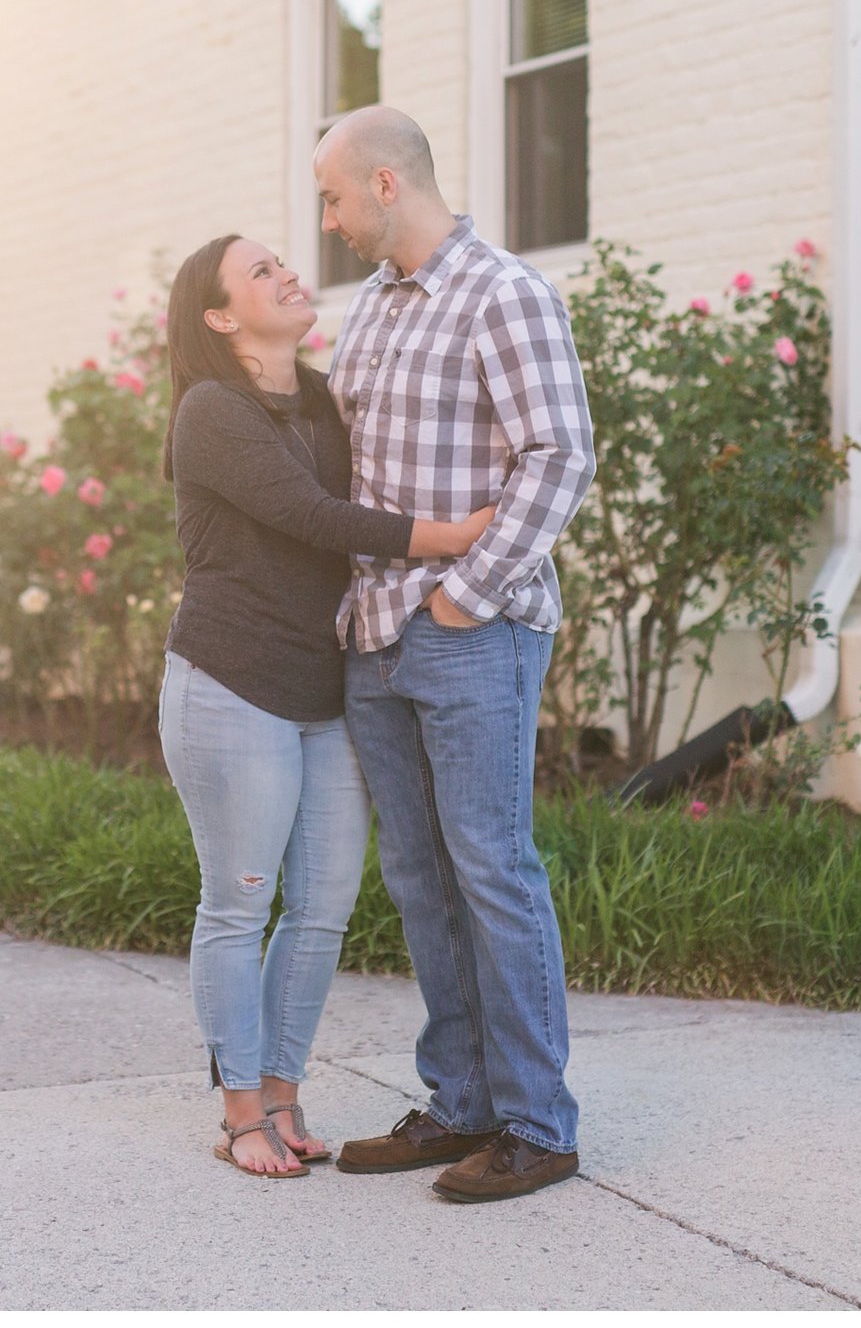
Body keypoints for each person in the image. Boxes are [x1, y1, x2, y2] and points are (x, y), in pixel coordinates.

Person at [158, 232, 494, 1179]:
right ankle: (237, 1113)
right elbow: (315, 516)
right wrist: (456, 537)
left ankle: (283, 1092)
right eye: (260, 272)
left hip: (322, 686)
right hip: (230, 685)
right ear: (222, 317)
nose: (287, 273)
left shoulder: (318, 398)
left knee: (324, 909)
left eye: (280, 262)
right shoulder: (211, 412)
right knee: (240, 902)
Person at [314, 104, 598, 1205]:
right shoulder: (372, 310)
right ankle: (462, 1102)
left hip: (468, 631)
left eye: (334, 195)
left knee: (492, 867)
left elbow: (558, 455)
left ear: (387, 184)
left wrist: (465, 600)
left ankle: (538, 1124)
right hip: (372, 634)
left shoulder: (504, 293)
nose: (327, 220)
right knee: (420, 878)